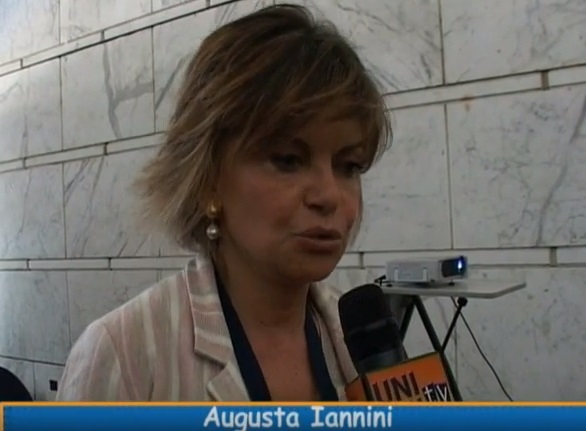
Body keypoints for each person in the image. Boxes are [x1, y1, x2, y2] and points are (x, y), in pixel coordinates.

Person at [56, 3, 391, 402]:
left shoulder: (361, 340)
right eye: (288, 160)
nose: (329, 195)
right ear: (209, 179)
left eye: (349, 166)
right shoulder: (125, 355)